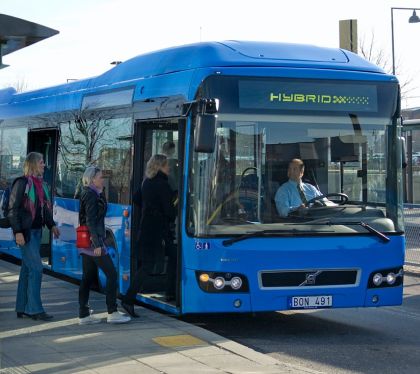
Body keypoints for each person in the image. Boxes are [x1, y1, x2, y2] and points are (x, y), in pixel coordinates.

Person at [121, 154, 177, 317]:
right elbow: (170, 211)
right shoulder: (162, 184)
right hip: (158, 232)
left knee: (165, 259)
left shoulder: (147, 182)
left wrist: (150, 208)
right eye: (167, 165)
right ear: (159, 166)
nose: (169, 168)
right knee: (148, 266)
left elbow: (136, 199)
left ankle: (169, 292)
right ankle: (129, 299)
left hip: (147, 229)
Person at [8, 152, 60, 321]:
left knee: (27, 269)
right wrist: (17, 232)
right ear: (32, 164)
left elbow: (44, 209)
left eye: (44, 162)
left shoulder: (41, 185)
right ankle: (34, 309)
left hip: (37, 232)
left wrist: (52, 225)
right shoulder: (22, 183)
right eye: (41, 162)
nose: (44, 165)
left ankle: (21, 307)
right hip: (26, 233)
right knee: (37, 268)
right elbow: (12, 210)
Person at [78, 166, 130, 325]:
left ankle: (84, 315)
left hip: (87, 243)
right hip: (94, 244)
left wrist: (102, 193)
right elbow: (91, 221)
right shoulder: (91, 195)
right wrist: (98, 243)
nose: (103, 180)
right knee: (112, 274)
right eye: (100, 177)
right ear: (92, 179)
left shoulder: (91, 193)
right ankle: (112, 312)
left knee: (87, 277)